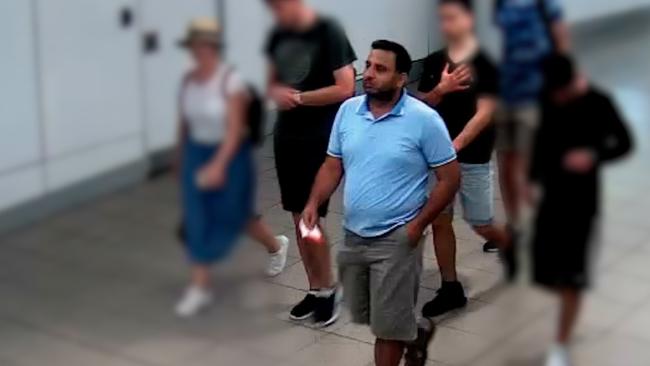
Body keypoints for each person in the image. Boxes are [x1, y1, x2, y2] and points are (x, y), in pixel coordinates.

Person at [302, 40, 460, 366]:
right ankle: (415, 332)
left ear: (402, 78)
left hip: (399, 237)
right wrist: (314, 202)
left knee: (385, 332)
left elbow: (450, 178)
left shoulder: (424, 120)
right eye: (369, 65)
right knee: (371, 314)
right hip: (354, 233)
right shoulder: (348, 111)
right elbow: (334, 164)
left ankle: (401, 335)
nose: (369, 74)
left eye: (381, 69)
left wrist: (417, 227)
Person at [173, 19, 290, 317]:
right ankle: (199, 288)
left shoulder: (230, 83)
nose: (196, 52)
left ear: (212, 47)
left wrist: (219, 166)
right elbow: (184, 124)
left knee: (240, 217)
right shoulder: (188, 81)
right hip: (198, 153)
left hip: (229, 156)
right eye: (193, 47)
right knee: (197, 217)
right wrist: (180, 157)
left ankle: (276, 245)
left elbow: (236, 130)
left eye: (201, 46)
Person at [530, 54, 632, 366]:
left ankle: (561, 343)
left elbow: (625, 143)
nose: (556, 98)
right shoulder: (549, 98)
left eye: (561, 92)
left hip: (582, 203)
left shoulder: (600, 102)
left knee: (572, 276)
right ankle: (564, 294)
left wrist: (593, 155)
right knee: (543, 268)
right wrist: (532, 179)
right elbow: (541, 140)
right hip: (551, 198)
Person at [263, 0, 357, 326]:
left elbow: (346, 87)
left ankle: (329, 288)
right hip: (286, 135)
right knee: (298, 215)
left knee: (310, 215)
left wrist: (300, 98)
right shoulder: (278, 34)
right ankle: (316, 288)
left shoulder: (327, 31)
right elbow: (271, 81)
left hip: (318, 137)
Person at [417, 0, 510, 317]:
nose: (446, 25)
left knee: (481, 222)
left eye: (452, 18)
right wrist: (440, 90)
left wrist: (453, 147)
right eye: (442, 19)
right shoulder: (433, 62)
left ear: (468, 19)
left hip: (471, 157)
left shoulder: (486, 65)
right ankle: (450, 287)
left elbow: (485, 113)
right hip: (438, 163)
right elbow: (422, 107)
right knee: (440, 220)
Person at [492, 0, 571, 250]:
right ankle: (516, 225)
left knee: (530, 167)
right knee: (505, 163)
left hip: (536, 94)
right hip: (505, 94)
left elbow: (561, 40)